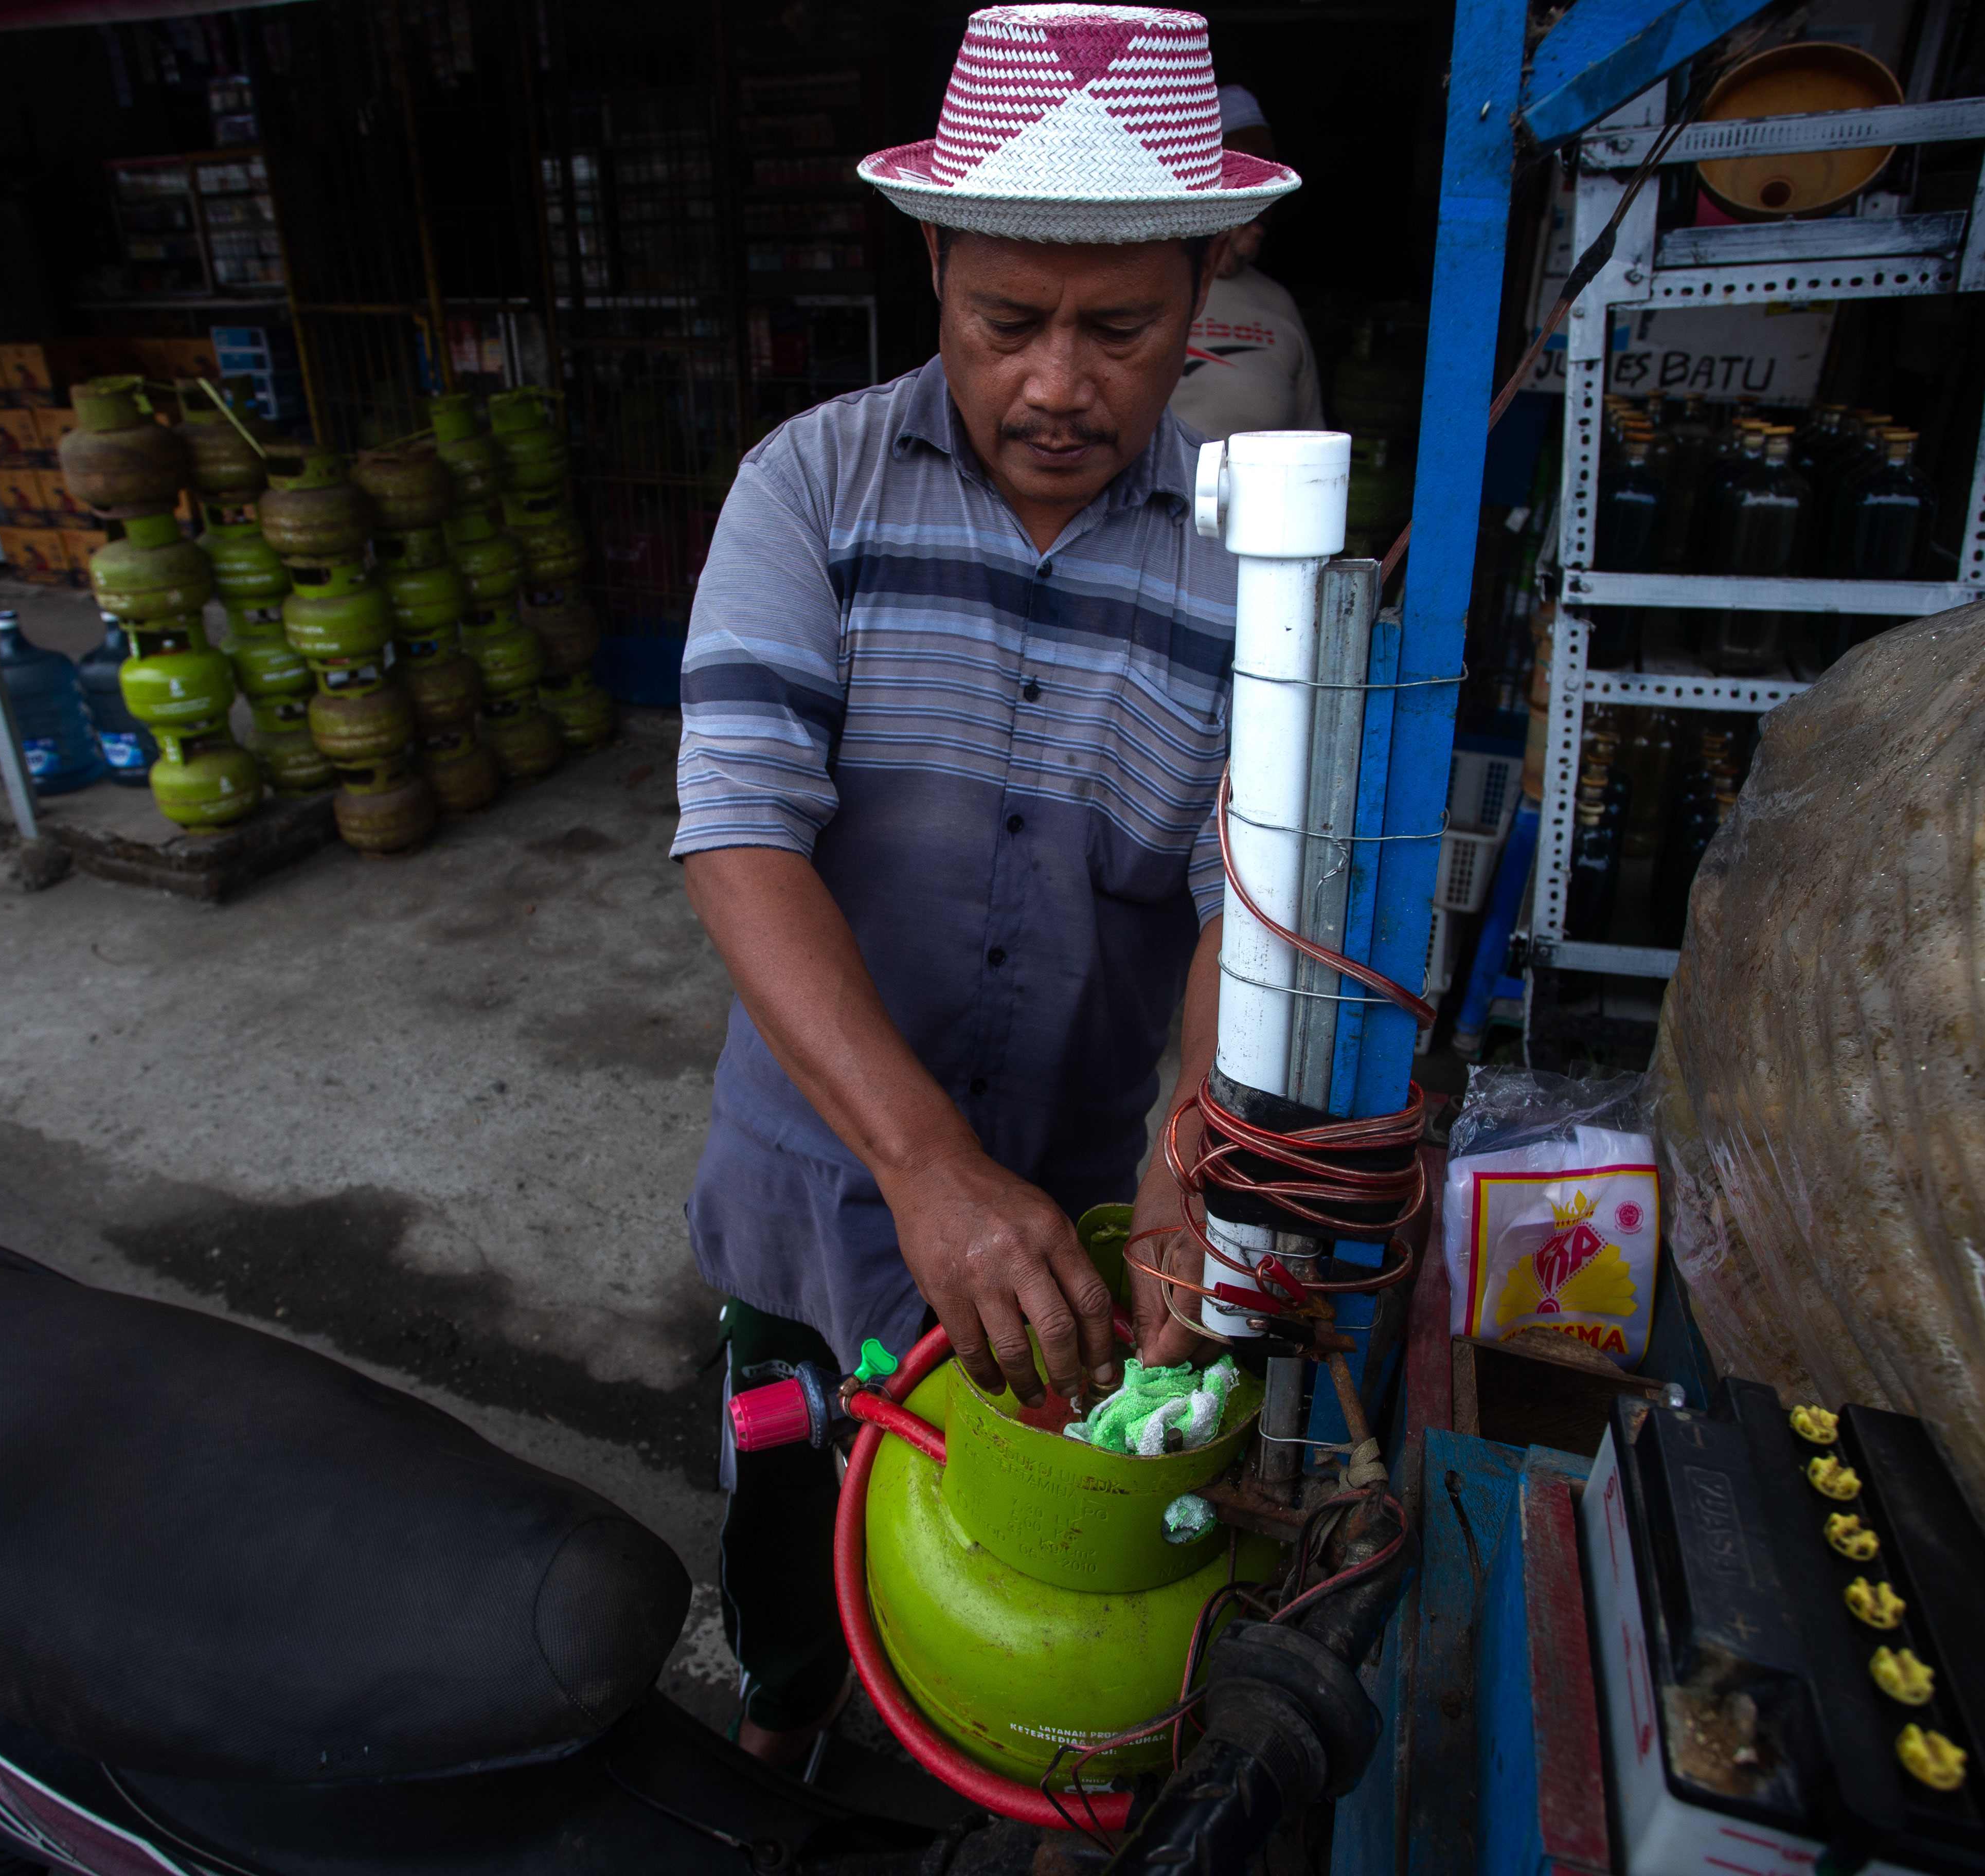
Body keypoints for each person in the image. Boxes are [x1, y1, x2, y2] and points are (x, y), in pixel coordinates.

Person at [670, 3, 1298, 1771]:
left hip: (1084, 1180)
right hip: (816, 1172)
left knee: (1036, 1548)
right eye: (1004, 321)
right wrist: (925, 1161)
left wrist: (1196, 1145)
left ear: (1206, 294)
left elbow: (1240, 877)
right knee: (800, 1517)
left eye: (1120, 328)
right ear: (933, 260)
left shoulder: (1250, 568)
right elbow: (737, 827)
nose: (1056, 382)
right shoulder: (808, 488)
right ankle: (787, 1734)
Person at [1167, 84, 1324, 440]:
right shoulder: (1146, 281)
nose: (1256, 225)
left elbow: (1312, 437)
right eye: (1239, 180)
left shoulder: (1277, 302)